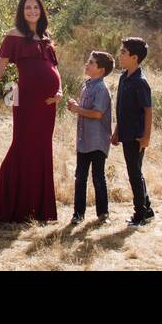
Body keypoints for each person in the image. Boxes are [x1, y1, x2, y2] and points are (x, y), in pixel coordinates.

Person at [0, 0, 61, 223]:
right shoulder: (14, 36)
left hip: (48, 106)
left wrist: (60, 91)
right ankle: (7, 206)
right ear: (21, 11)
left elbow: (56, 69)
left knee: (42, 150)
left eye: (36, 7)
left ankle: (38, 209)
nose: (32, 11)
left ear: (41, 10)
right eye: (27, 7)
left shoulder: (47, 38)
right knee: (22, 147)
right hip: (26, 102)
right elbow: (0, 67)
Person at [112, 37, 155, 227]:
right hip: (125, 133)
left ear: (134, 57)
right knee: (135, 172)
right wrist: (116, 131)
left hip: (137, 136)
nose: (119, 55)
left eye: (123, 52)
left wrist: (146, 137)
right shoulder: (123, 78)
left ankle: (141, 214)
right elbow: (121, 108)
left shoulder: (140, 82)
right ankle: (148, 209)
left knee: (134, 174)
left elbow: (148, 110)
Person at [67, 50, 113, 224]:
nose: (87, 64)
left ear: (101, 70)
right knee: (80, 177)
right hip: (83, 140)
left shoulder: (101, 89)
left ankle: (103, 214)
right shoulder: (86, 85)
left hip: (98, 141)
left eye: (91, 63)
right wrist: (76, 106)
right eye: (88, 61)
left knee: (98, 177)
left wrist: (78, 109)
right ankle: (78, 214)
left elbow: (97, 114)